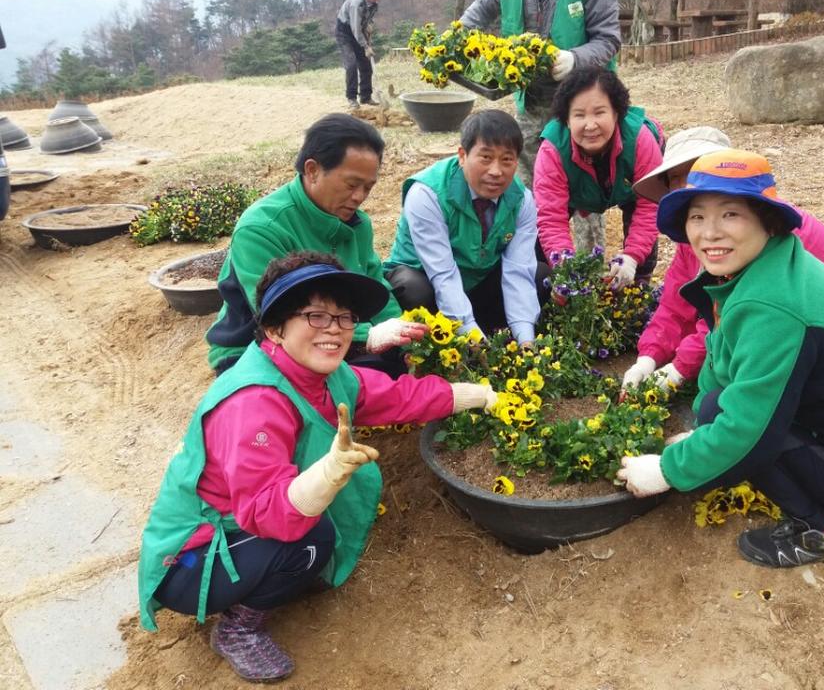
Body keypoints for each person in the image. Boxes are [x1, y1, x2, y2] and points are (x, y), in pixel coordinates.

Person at [139, 252, 498, 682]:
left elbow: (393, 397)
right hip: (189, 562)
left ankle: (266, 578)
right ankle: (237, 628)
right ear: (274, 328)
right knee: (312, 538)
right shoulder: (255, 401)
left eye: (344, 317)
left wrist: (476, 395)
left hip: (239, 529)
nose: (335, 330)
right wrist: (324, 476)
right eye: (315, 316)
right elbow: (265, 513)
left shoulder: (323, 375)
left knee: (312, 530)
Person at [617, 149, 824, 569]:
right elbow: (721, 360)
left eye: (730, 214)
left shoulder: (775, 305)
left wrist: (666, 470)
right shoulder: (763, 267)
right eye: (697, 216)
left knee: (754, 438)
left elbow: (747, 433)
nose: (709, 233)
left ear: (767, 220)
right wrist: (698, 431)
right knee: (717, 407)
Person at [621, 126, 824, 392]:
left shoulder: (763, 228)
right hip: (815, 322)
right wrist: (647, 358)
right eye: (676, 179)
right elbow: (675, 305)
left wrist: (677, 370)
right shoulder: (699, 236)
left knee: (770, 379)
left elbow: (725, 318)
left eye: (697, 171)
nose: (688, 186)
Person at [206, 113, 424, 378]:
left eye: (368, 187)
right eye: (352, 184)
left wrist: (398, 331)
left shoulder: (357, 225)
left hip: (332, 335)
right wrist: (369, 334)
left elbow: (376, 282)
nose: (359, 197)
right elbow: (277, 315)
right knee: (326, 392)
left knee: (396, 372)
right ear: (312, 170)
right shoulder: (262, 228)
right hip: (262, 343)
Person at [459, 0, 621, 190]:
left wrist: (574, 59)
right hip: (531, 100)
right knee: (529, 184)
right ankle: (531, 232)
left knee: (584, 186)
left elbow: (608, 39)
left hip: (582, 103)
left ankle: (584, 231)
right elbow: (473, 19)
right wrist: (449, 49)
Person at [384, 110, 549, 346]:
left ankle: (491, 334)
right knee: (414, 290)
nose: (496, 171)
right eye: (485, 157)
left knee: (539, 276)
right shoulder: (427, 194)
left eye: (507, 160)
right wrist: (474, 340)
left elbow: (518, 270)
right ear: (462, 155)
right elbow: (442, 273)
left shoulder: (521, 199)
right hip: (426, 278)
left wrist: (526, 339)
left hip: (474, 282)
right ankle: (450, 340)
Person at [534, 66, 664, 290]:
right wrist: (565, 266)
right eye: (579, 115)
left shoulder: (641, 140)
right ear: (566, 119)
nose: (590, 125)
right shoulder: (552, 150)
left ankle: (639, 297)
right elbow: (550, 217)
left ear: (616, 113)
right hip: (579, 190)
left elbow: (650, 208)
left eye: (600, 112)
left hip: (631, 188)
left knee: (642, 255)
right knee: (541, 250)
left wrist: (632, 256)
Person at [336, 0, 386, 109]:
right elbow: (355, 29)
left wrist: (369, 27)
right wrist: (365, 45)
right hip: (345, 32)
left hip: (359, 32)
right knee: (351, 64)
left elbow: (365, 22)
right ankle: (351, 98)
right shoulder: (356, 3)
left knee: (366, 64)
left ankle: (365, 96)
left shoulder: (374, 4)